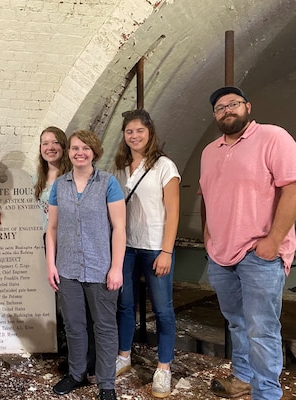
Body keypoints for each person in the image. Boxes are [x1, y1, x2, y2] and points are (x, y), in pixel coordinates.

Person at [200, 86, 296, 399]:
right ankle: (242, 377)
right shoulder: (209, 151)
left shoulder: (273, 137)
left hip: (259, 254)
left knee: (262, 328)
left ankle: (266, 393)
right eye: (219, 108)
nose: (226, 110)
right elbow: (206, 197)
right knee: (238, 323)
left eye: (233, 104)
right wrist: (207, 234)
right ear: (215, 116)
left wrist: (273, 241)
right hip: (221, 254)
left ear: (248, 107)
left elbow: (292, 190)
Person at [46, 130, 126, 400]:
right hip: (67, 269)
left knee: (104, 326)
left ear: (94, 152)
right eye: (75, 148)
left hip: (100, 268)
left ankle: (106, 383)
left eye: (85, 148)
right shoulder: (60, 185)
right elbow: (52, 228)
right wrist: (51, 265)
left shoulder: (108, 183)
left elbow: (119, 228)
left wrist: (116, 268)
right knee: (74, 326)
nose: (80, 152)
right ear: (69, 152)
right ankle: (76, 373)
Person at [113, 109, 180, 398]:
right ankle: (124, 356)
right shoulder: (119, 167)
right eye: (129, 131)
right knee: (125, 306)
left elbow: (173, 211)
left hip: (155, 247)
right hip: (126, 247)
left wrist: (166, 250)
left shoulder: (165, 166)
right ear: (124, 136)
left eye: (140, 130)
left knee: (163, 310)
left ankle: (163, 368)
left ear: (150, 133)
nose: (135, 135)